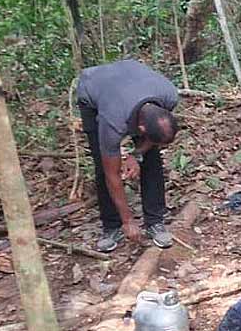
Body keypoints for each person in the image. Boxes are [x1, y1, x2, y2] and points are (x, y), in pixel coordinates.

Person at [76, 60, 180, 252]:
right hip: (93, 86)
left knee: (152, 158)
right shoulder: (113, 121)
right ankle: (112, 226)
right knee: (103, 163)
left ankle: (154, 221)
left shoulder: (169, 96)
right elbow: (112, 175)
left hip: (130, 78)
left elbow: (154, 138)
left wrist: (136, 154)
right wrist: (128, 220)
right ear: (139, 129)